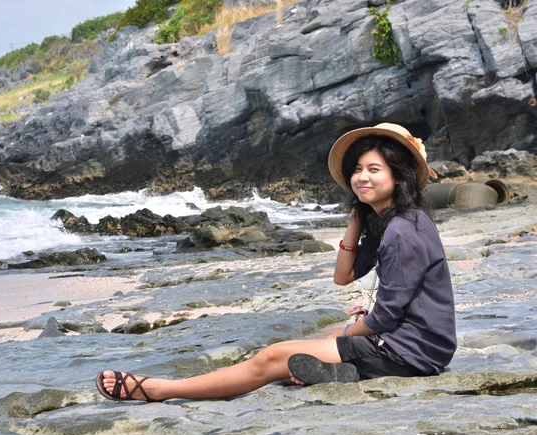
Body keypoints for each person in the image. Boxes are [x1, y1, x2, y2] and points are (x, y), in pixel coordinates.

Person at [95, 123, 457, 402]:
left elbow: (386, 317)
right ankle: (342, 371)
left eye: (375, 169)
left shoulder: (402, 232)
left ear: (399, 173)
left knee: (272, 357)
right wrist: (356, 219)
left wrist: (342, 333)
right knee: (290, 363)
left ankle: (159, 389)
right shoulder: (392, 223)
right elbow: (343, 277)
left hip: (408, 352)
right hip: (415, 346)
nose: (362, 177)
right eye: (358, 169)